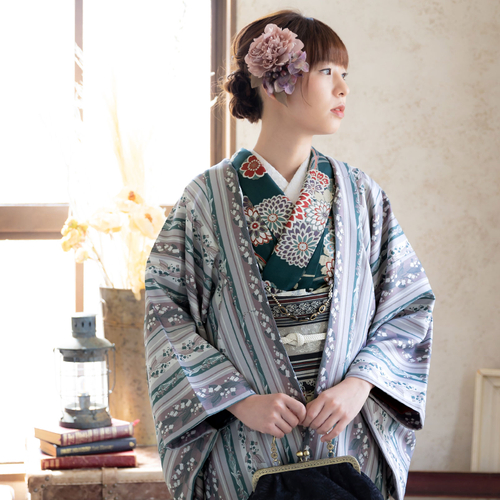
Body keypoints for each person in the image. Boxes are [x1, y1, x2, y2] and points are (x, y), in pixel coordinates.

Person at [143, 9, 435, 500]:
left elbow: (410, 305)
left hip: (343, 429)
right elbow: (165, 316)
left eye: (345, 75)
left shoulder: (361, 194)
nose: (343, 89)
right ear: (275, 81)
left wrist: (361, 384)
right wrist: (237, 400)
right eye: (327, 72)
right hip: (246, 437)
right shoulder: (205, 200)